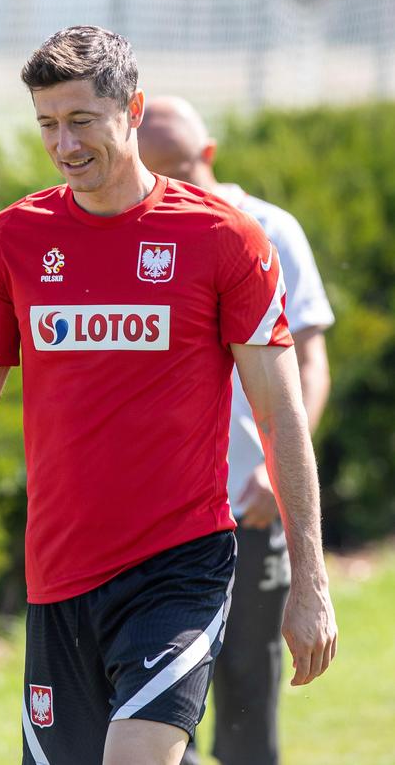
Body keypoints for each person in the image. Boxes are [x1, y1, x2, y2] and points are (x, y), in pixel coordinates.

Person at [0, 25, 337, 765]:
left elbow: (281, 412)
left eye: (82, 121)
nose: (64, 144)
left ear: (132, 110)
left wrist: (310, 582)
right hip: (58, 574)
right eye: (47, 125)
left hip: (179, 566)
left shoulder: (224, 238)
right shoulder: (12, 242)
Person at [138, 95, 334, 765]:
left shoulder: (271, 230)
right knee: (154, 700)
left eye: (186, 167)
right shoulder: (140, 237)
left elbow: (310, 364)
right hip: (157, 519)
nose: (179, 184)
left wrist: (270, 474)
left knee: (248, 696)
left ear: (211, 154)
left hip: (250, 512)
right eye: (159, 171)